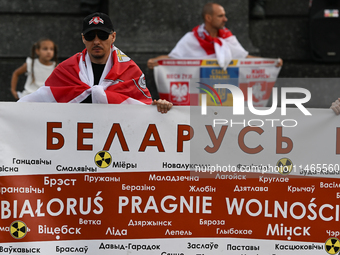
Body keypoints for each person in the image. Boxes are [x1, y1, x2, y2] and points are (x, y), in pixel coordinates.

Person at [19, 12, 172, 113]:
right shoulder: (66, 69)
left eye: (103, 35)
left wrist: (159, 107)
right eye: (90, 36)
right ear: (83, 38)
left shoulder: (130, 71)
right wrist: (8, 112)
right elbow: (41, 99)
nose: (97, 41)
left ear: (113, 37)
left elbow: (143, 108)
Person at [147, 2, 283, 70]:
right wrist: (155, 61)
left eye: (224, 15)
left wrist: (270, 63)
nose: (225, 19)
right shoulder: (192, 39)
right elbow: (172, 58)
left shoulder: (227, 38)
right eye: (220, 16)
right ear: (208, 18)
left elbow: (245, 57)